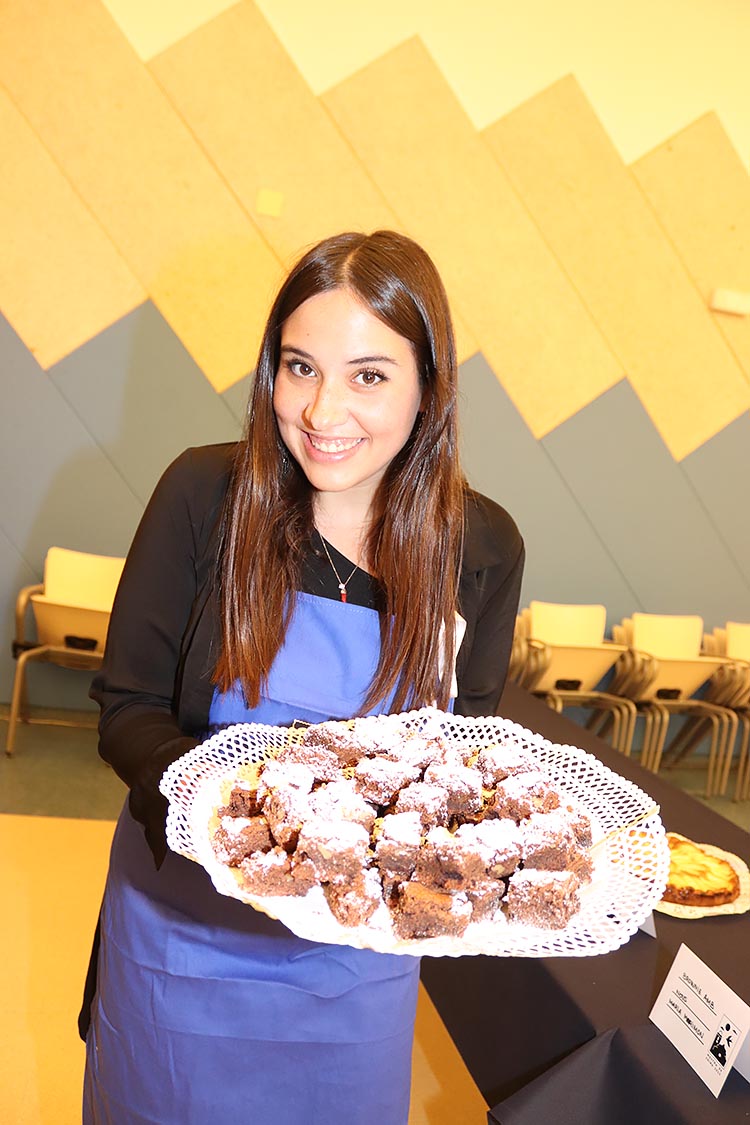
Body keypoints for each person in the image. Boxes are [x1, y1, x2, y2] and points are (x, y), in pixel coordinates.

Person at [80, 230, 524, 1123]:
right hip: (182, 940)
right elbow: (127, 708)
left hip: (353, 969)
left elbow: (460, 758)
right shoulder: (206, 496)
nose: (324, 410)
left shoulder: (479, 547)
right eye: (300, 367)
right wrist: (236, 821)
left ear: (429, 387)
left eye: (369, 375)